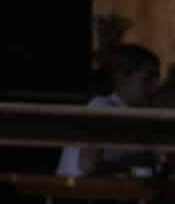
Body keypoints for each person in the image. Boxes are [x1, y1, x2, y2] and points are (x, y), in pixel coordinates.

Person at [56, 43, 160, 178]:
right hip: (76, 193)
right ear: (121, 78)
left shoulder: (135, 116)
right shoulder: (102, 107)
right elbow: (88, 165)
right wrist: (132, 164)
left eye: (155, 79)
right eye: (147, 79)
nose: (154, 87)